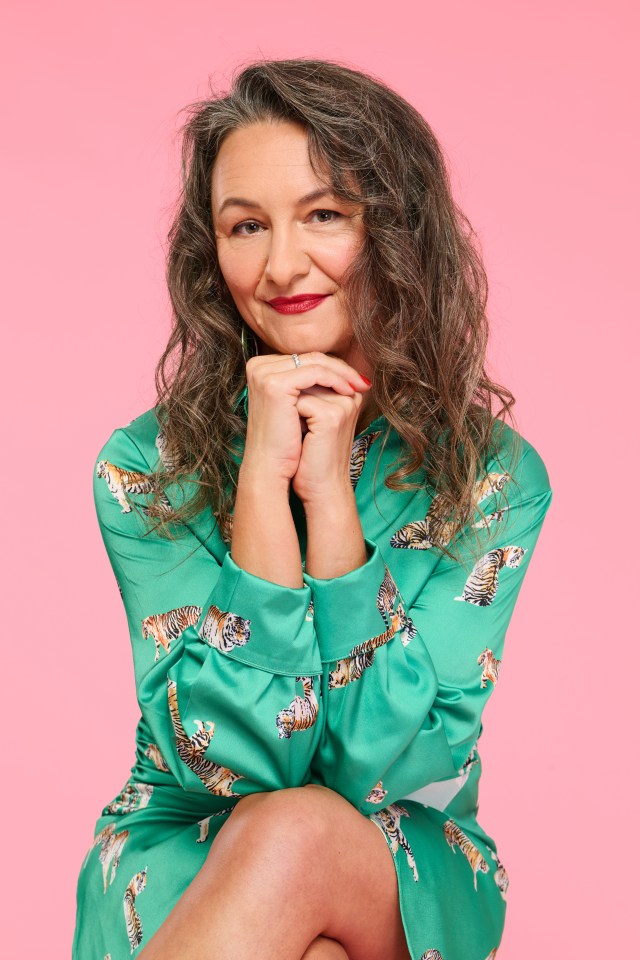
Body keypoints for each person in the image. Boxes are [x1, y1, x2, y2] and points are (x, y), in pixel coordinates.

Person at [72, 58, 553, 960]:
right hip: (180, 845)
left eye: (325, 215)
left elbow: (385, 767)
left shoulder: (494, 477)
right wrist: (263, 475)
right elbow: (238, 761)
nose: (282, 264)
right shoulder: (144, 467)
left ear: (397, 232)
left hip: (397, 854)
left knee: (294, 833)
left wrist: (329, 500)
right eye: (245, 225)